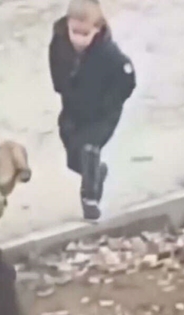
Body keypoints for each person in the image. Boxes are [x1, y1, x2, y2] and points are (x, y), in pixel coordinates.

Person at [48, 0, 136, 220]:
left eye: (85, 33)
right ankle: (97, 173)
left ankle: (91, 201)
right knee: (73, 160)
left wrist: (109, 103)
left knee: (88, 149)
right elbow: (55, 65)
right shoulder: (60, 41)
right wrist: (62, 87)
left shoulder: (109, 53)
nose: (78, 39)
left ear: (97, 29)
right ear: (67, 24)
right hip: (73, 110)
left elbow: (127, 80)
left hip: (102, 115)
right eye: (74, 32)